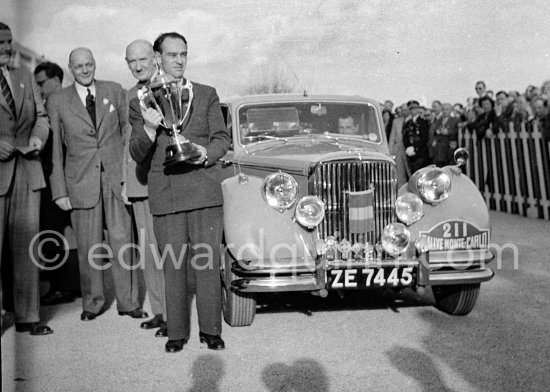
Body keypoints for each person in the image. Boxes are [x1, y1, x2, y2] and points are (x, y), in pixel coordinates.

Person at [129, 32, 231, 353]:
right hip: (168, 195)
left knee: (207, 263)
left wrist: (205, 152)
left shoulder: (206, 94)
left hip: (204, 190)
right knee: (173, 266)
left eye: (183, 54)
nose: (178, 60)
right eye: (172, 54)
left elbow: (221, 139)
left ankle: (211, 331)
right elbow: (136, 153)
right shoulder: (141, 101)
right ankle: (176, 332)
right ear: (157, 58)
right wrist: (147, 127)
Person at [48, 48, 147, 322]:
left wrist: (128, 176)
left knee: (122, 241)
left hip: (115, 179)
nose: (85, 70)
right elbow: (55, 148)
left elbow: (128, 132)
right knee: (89, 246)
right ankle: (92, 303)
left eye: (89, 64)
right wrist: (59, 191)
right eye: (79, 66)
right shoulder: (57, 101)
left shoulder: (114, 91)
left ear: (95, 64)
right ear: (70, 68)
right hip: (80, 182)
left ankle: (128, 302)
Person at [0, 23, 52, 335]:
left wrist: (37, 138)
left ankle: (28, 317)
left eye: (8, 42)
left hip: (27, 171)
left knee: (26, 248)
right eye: (0, 43)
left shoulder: (24, 78)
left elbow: (42, 118)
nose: (6, 48)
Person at [124, 40, 167, 337]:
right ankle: (160, 311)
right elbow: (127, 143)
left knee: (169, 251)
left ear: (154, 58)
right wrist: (126, 182)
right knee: (149, 253)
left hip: (167, 180)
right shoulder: (130, 96)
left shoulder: (170, 87)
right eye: (131, 62)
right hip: (141, 182)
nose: (138, 66)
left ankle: (173, 312)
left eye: (143, 59)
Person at [33, 61, 81, 306]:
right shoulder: (58, 103)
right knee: (60, 234)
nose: (39, 88)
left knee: (58, 234)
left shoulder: (61, 103)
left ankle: (64, 287)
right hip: (55, 179)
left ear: (55, 79)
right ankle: (68, 285)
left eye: (41, 83)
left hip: (59, 180)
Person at [402, 100, 430, 174]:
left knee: (419, 172)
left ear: (418, 109)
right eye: (411, 109)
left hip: (420, 152)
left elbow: (424, 137)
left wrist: (415, 148)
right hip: (410, 153)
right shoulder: (408, 123)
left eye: (414, 109)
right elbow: (405, 136)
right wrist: (408, 147)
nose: (412, 111)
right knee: (412, 172)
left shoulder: (423, 122)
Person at [388, 103, 411, 187]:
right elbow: (392, 137)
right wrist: (390, 151)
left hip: (409, 148)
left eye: (406, 110)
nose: (404, 112)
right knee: (400, 172)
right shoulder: (396, 121)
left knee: (410, 170)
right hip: (398, 149)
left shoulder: (412, 120)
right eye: (403, 110)